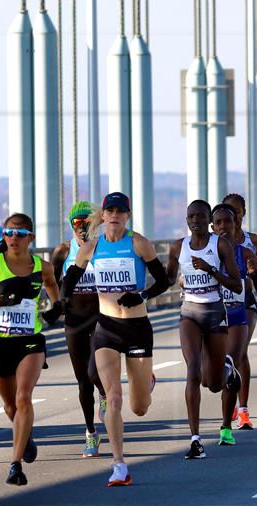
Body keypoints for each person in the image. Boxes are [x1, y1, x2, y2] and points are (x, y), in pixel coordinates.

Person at [60, 192, 169, 486]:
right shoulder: (91, 247)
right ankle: (119, 465)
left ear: (128, 216)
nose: (115, 216)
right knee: (114, 398)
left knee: (139, 406)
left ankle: (146, 383)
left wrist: (141, 294)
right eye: (110, 211)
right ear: (103, 216)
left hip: (136, 328)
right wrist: (61, 300)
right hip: (106, 329)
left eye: (121, 211)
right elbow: (69, 279)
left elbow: (163, 281)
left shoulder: (138, 244)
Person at [0, 213, 62, 486]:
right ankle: (25, 434)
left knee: (22, 398)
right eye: (8, 233)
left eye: (19, 234)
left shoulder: (42, 267)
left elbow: (53, 286)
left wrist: (56, 305)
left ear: (31, 237)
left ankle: (15, 464)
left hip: (30, 341)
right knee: (10, 406)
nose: (13, 238)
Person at [166, 199, 244, 457]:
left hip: (214, 312)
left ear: (208, 220)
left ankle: (228, 371)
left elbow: (236, 285)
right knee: (192, 372)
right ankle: (196, 440)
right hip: (189, 312)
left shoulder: (219, 244)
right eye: (191, 216)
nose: (195, 220)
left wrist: (211, 270)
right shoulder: (178, 247)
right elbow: (166, 278)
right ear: (186, 220)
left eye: (200, 216)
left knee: (213, 384)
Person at [50, 201, 108, 457]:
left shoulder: (103, 247)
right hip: (74, 320)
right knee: (83, 381)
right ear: (70, 225)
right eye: (77, 223)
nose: (82, 228)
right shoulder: (63, 251)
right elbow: (52, 283)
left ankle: (106, 392)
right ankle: (90, 434)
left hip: (99, 318)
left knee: (94, 373)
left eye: (88, 223)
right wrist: (56, 306)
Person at [211, 204, 257, 434]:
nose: (224, 226)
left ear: (237, 223)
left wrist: (256, 273)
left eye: (229, 221)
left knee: (237, 355)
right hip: (216, 311)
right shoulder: (206, 251)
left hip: (244, 306)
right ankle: (229, 398)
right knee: (215, 371)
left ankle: (242, 410)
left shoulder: (246, 250)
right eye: (219, 222)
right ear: (213, 226)